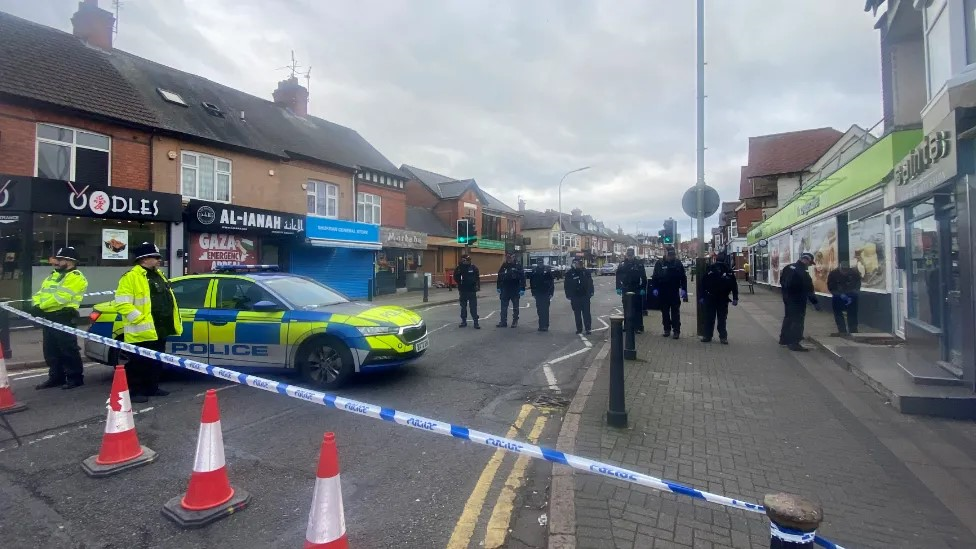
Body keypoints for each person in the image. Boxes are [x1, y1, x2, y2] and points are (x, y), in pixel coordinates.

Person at [114, 243, 183, 403]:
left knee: (155, 360)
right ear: (144, 259)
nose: (159, 260)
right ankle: (136, 391)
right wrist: (140, 319)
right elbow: (122, 303)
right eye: (156, 257)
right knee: (138, 363)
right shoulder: (131, 277)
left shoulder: (158, 274)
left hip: (159, 328)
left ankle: (152, 387)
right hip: (142, 329)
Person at [32, 247, 88, 390]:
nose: (57, 262)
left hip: (63, 316)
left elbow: (61, 298)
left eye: (60, 259)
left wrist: (41, 306)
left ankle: (75, 377)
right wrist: (36, 304)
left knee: (68, 349)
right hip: (49, 315)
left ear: (70, 261)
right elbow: (40, 292)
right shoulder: (53, 275)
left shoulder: (75, 277)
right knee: (51, 349)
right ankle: (56, 377)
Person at [779, 252, 821, 352]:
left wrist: (786, 295)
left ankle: (784, 339)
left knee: (788, 318)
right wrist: (815, 302)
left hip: (787, 298)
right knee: (797, 321)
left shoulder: (788, 267)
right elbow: (808, 289)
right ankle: (794, 343)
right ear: (806, 260)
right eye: (810, 263)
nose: (809, 265)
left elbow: (782, 282)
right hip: (798, 300)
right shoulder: (802, 272)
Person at [699, 252, 739, 344]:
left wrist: (735, 297)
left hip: (720, 298)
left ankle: (712, 336)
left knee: (716, 318)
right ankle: (715, 336)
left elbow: (733, 285)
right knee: (716, 318)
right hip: (713, 297)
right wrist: (735, 297)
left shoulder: (727, 270)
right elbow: (703, 283)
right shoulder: (712, 269)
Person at [651, 246, 688, 339]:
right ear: (665, 254)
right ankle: (666, 329)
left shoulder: (678, 263)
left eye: (673, 255)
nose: (671, 257)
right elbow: (655, 277)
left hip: (674, 291)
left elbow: (683, 277)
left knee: (675, 312)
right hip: (663, 291)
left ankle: (676, 331)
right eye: (670, 255)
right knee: (665, 312)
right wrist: (655, 288)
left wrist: (684, 289)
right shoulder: (659, 263)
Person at [615, 248, 647, 333]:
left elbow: (644, 277)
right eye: (628, 255)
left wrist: (643, 288)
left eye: (631, 255)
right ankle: (627, 326)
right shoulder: (622, 264)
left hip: (636, 287)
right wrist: (618, 287)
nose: (629, 257)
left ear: (633, 255)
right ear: (626, 255)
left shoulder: (639, 264)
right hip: (626, 288)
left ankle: (638, 327)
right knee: (626, 308)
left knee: (637, 308)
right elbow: (618, 276)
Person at [827, 263, 862, 336]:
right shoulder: (833, 274)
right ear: (840, 268)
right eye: (843, 271)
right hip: (838, 297)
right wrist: (840, 295)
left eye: (847, 271)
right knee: (838, 314)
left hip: (851, 297)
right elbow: (831, 286)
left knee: (852, 314)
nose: (845, 273)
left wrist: (851, 295)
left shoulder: (854, 273)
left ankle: (853, 331)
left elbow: (858, 285)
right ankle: (842, 331)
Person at [565, 258, 594, 334]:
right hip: (575, 296)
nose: (578, 264)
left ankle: (588, 328)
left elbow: (590, 283)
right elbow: (566, 285)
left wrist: (591, 292)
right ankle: (579, 328)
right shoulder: (569, 273)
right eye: (576, 263)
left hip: (585, 296)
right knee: (577, 313)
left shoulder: (585, 272)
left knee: (586, 313)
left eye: (579, 263)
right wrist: (568, 294)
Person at [496, 252, 525, 328]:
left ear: (513, 257)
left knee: (515, 307)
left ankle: (515, 321)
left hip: (515, 289)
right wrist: (498, 286)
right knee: (503, 307)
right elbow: (499, 276)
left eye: (510, 257)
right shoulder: (504, 265)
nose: (508, 258)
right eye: (507, 257)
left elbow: (522, 277)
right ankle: (503, 322)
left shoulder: (517, 265)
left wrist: (522, 288)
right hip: (505, 289)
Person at [453, 254, 481, 329]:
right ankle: (463, 321)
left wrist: (477, 286)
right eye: (465, 260)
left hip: (471, 290)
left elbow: (477, 277)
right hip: (463, 290)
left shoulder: (473, 267)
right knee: (463, 307)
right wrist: (460, 283)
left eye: (468, 260)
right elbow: (455, 277)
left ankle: (476, 322)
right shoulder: (459, 268)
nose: (467, 261)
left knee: (473, 307)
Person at [528, 262, 555, 332]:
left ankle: (545, 325)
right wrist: (533, 293)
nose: (540, 264)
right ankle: (541, 325)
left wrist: (551, 293)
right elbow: (532, 283)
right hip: (538, 293)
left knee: (545, 310)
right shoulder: (535, 271)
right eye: (539, 263)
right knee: (539, 310)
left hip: (546, 292)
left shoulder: (547, 270)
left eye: (541, 263)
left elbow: (551, 282)